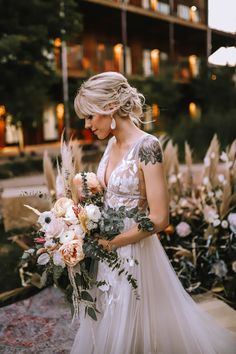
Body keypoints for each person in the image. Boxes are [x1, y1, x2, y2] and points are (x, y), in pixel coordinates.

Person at [71, 72, 236, 354]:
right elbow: (110, 197)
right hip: (105, 252)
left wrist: (112, 243)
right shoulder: (110, 144)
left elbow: (160, 218)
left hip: (132, 253)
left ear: (111, 106)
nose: (87, 125)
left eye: (90, 116)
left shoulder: (147, 147)